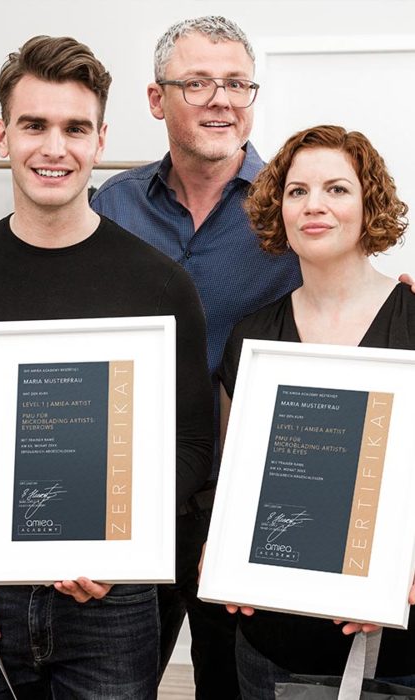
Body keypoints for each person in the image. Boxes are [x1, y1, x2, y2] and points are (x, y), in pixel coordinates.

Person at [0, 35, 213, 698]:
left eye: (75, 128)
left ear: (100, 139)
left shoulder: (159, 285)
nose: (54, 147)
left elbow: (193, 443)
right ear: (2, 135)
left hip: (115, 601)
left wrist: (121, 541)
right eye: (34, 125)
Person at [90, 16, 301, 695]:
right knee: (114, 683)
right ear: (158, 101)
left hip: (249, 505)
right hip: (130, 503)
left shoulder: (294, 209)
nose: (222, 99)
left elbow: (351, 307)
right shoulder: (111, 207)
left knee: (235, 686)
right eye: (199, 83)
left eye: (237, 83)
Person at [217, 124, 415, 698]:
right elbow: (234, 477)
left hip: (394, 640)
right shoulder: (252, 337)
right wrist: (223, 543)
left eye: (337, 189)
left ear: (368, 203)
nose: (314, 206)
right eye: (297, 191)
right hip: (272, 641)